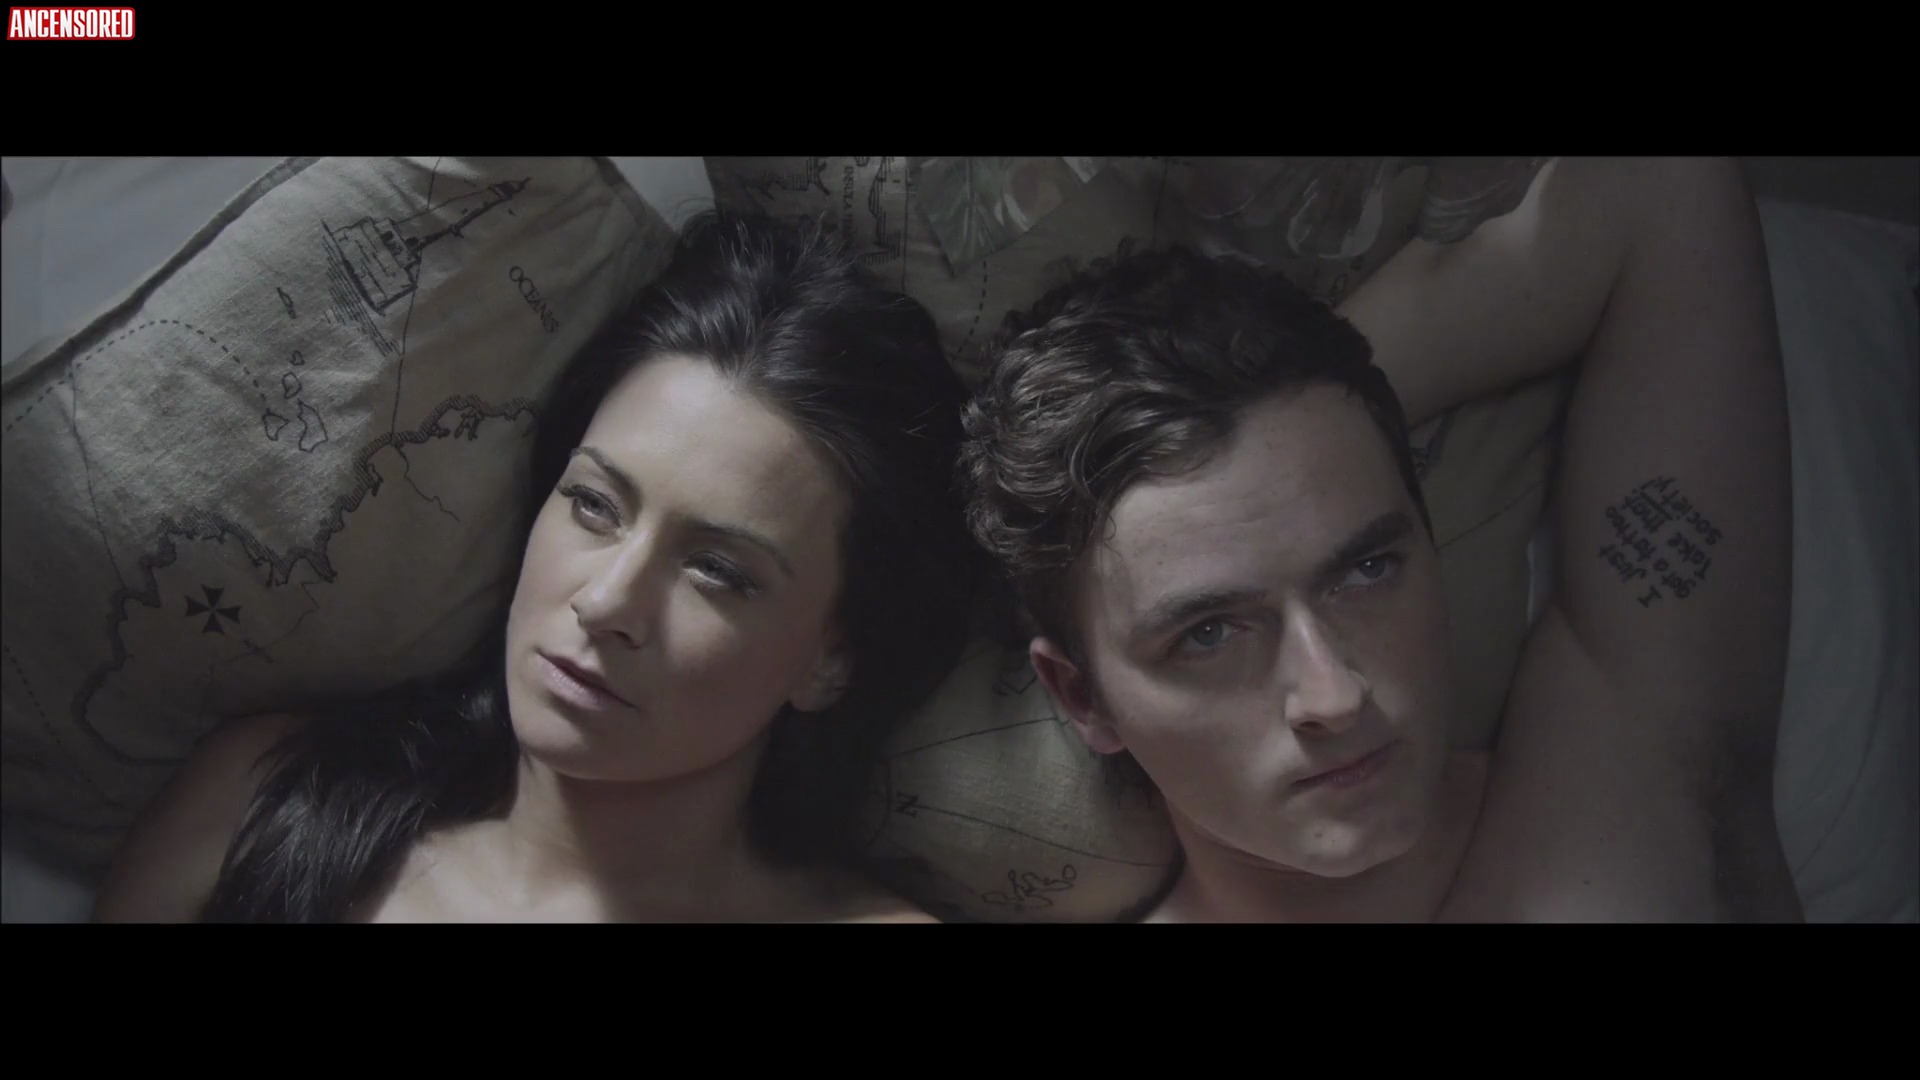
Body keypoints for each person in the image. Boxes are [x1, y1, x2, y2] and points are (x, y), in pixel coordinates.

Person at [958, 157, 1805, 921]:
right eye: (1208, 634)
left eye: (1367, 569)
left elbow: (1659, 185)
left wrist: (1295, 400)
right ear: (1082, 698)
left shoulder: (1631, 780)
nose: (1335, 697)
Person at [94, 211, 979, 923]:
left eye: (716, 569)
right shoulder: (272, 796)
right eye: (593, 505)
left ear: (832, 658)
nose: (606, 600)